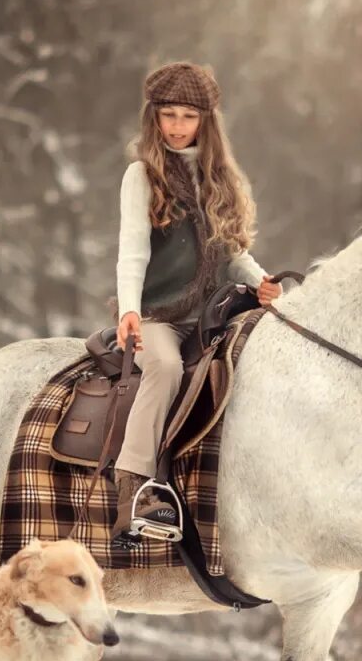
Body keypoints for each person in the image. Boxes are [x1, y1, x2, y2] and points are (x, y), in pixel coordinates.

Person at [111, 61, 281, 545]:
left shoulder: (218, 178)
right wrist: (128, 310)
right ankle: (135, 492)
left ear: (206, 121)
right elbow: (132, 252)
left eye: (188, 116)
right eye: (169, 115)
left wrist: (263, 281)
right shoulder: (142, 175)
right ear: (154, 118)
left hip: (213, 316)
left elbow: (233, 254)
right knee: (164, 368)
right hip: (159, 316)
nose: (178, 126)